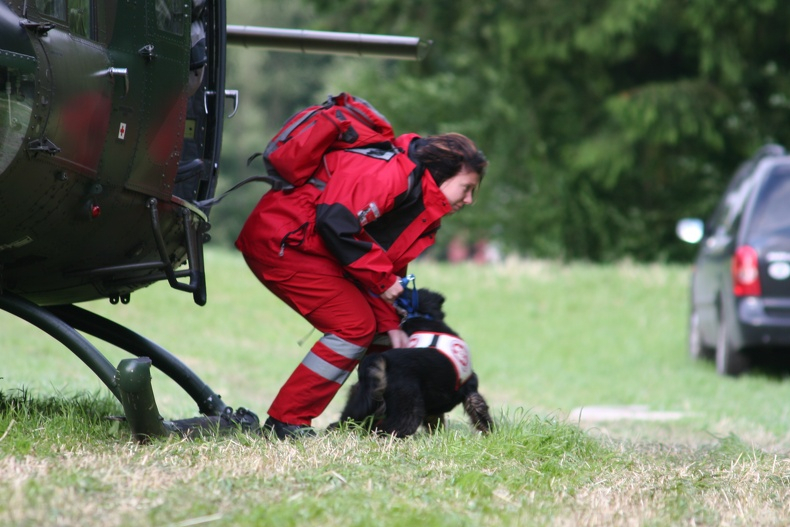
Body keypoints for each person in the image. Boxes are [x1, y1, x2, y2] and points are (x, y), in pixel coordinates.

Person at [235, 131, 488, 439]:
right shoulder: (392, 176)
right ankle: (285, 423)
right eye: (467, 188)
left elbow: (387, 262)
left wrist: (390, 321)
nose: (470, 199)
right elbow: (335, 222)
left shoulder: (423, 204)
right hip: (284, 240)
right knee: (353, 326)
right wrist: (383, 281)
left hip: (313, 247)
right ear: (442, 173)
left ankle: (371, 423)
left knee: (386, 334)